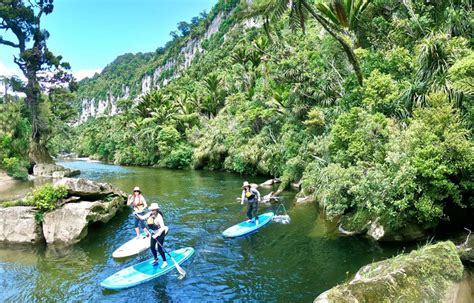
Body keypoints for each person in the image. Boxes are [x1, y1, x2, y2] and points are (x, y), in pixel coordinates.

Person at [137, 203, 169, 268]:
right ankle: (156, 259)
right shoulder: (150, 214)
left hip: (160, 233)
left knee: (159, 249)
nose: (152, 211)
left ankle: (165, 262)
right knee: (152, 247)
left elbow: (162, 228)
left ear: (157, 210)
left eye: (153, 210)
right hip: (153, 233)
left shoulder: (159, 217)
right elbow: (142, 218)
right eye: (151, 210)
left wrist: (157, 235)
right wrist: (136, 214)